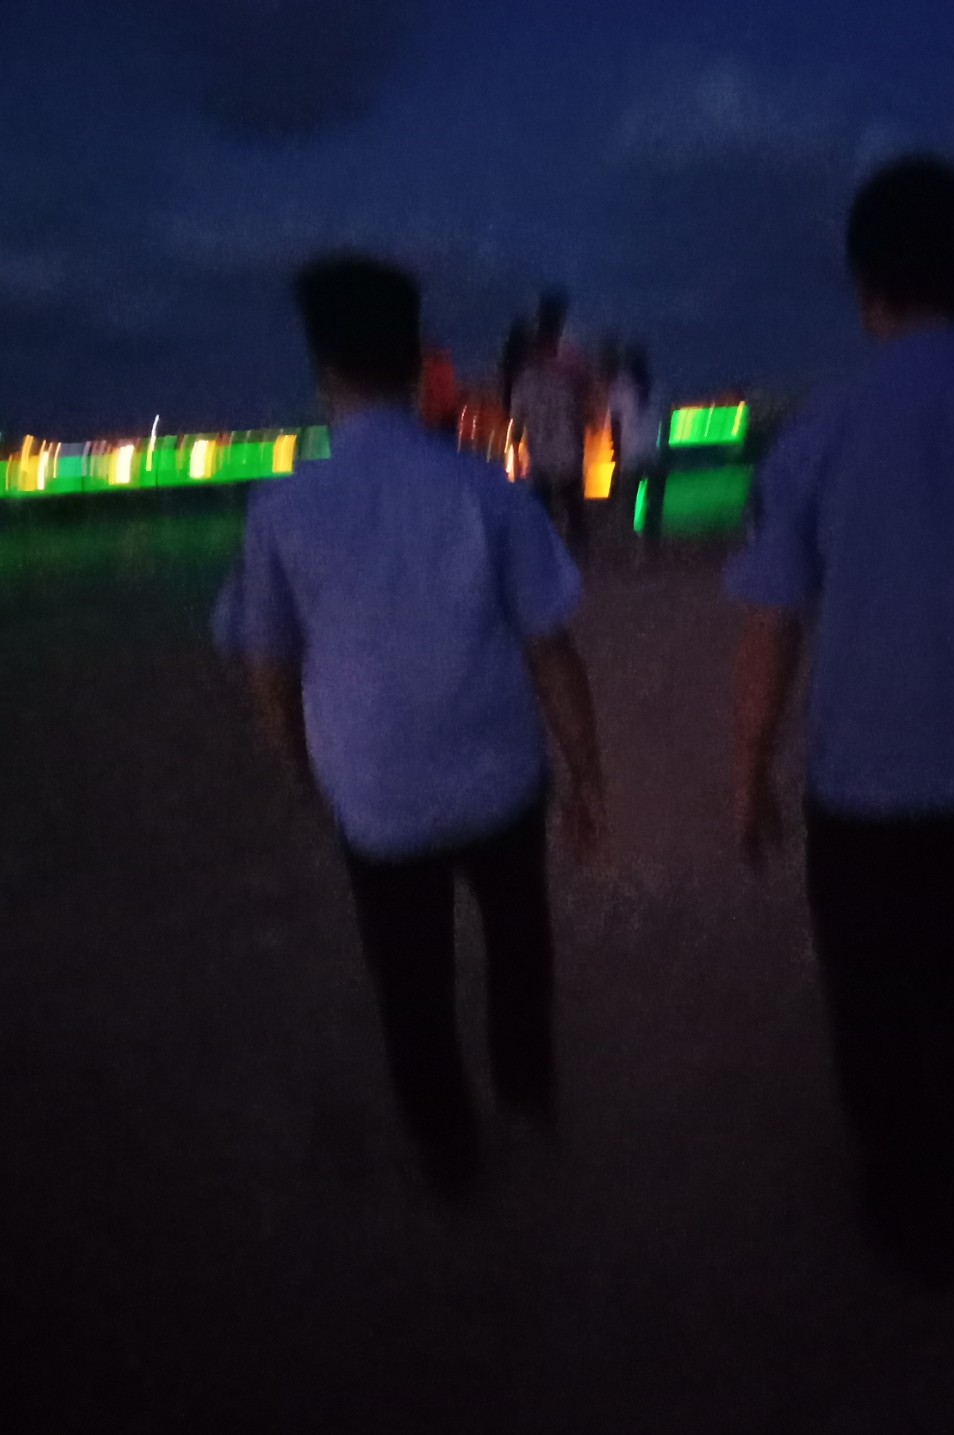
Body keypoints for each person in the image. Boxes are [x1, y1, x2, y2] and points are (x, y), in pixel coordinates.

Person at [724, 156, 954, 1282]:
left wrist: (750, 769)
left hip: (867, 773)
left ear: (864, 283)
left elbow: (771, 624)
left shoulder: (818, 432)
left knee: (871, 987)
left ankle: (908, 1200)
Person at [214, 255, 606, 1200]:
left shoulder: (283, 508)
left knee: (409, 977)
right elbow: (552, 649)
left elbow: (269, 666)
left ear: (323, 374)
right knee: (518, 946)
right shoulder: (486, 491)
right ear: (418, 363)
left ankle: (447, 1149)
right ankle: (528, 1098)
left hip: (377, 797)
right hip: (501, 776)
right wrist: (589, 774)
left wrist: (301, 767)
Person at [511, 294, 592, 559]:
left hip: (542, 452)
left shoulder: (526, 380)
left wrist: (517, 454)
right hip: (565, 450)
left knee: (545, 507)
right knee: (572, 504)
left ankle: (548, 553)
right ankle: (577, 551)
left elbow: (517, 421)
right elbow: (578, 412)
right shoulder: (566, 375)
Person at [608, 345, 665, 552]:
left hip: (631, 453)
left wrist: (616, 453)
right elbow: (663, 421)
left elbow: (615, 424)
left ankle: (630, 543)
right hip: (651, 452)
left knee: (627, 503)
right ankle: (650, 544)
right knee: (653, 502)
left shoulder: (620, 388)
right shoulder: (657, 388)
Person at [419, 345, 459, 439]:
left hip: (441, 413)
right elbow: (431, 391)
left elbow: (448, 389)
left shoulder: (435, 368)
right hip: (439, 414)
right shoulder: (437, 369)